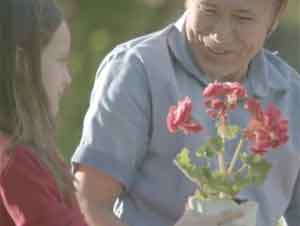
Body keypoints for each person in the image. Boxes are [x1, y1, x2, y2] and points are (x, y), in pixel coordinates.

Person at [72, 0, 300, 226]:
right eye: (208, 10)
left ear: (275, 17)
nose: (220, 35)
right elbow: (89, 203)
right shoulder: (137, 70)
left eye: (243, 18)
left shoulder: (292, 95)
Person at [0, 0, 88, 225]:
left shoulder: (33, 153)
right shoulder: (14, 161)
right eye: (60, 60)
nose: (67, 78)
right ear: (23, 64)